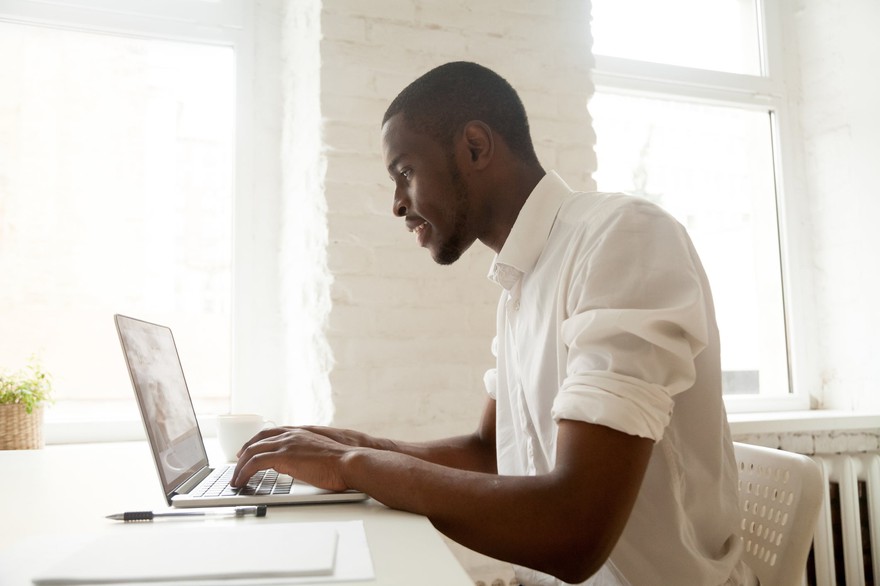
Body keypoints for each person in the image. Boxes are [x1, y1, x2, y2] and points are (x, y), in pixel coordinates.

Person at [232, 61, 750, 586]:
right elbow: (488, 451)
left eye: (405, 171)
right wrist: (352, 446)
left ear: (475, 147)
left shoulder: (622, 237)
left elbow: (573, 532)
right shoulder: (522, 280)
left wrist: (353, 467)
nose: (397, 204)